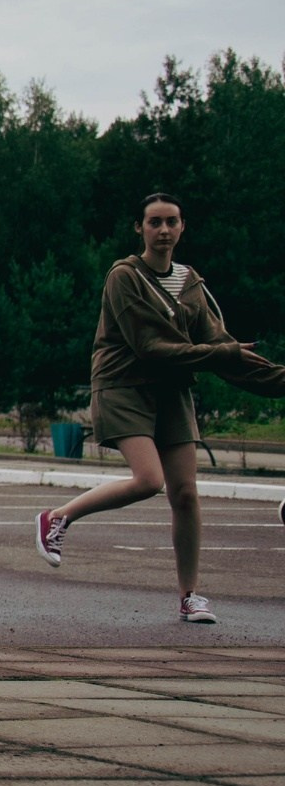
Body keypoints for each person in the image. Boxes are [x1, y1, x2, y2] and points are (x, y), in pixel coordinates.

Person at [38, 192, 285, 622]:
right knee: (149, 480)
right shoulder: (124, 278)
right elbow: (151, 347)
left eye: (172, 222)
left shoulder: (191, 284)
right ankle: (57, 517)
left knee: (186, 493)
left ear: (183, 227)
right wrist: (221, 353)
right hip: (123, 386)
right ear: (140, 228)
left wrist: (274, 377)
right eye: (154, 222)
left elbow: (223, 350)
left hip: (172, 390)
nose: (164, 231)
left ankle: (191, 596)